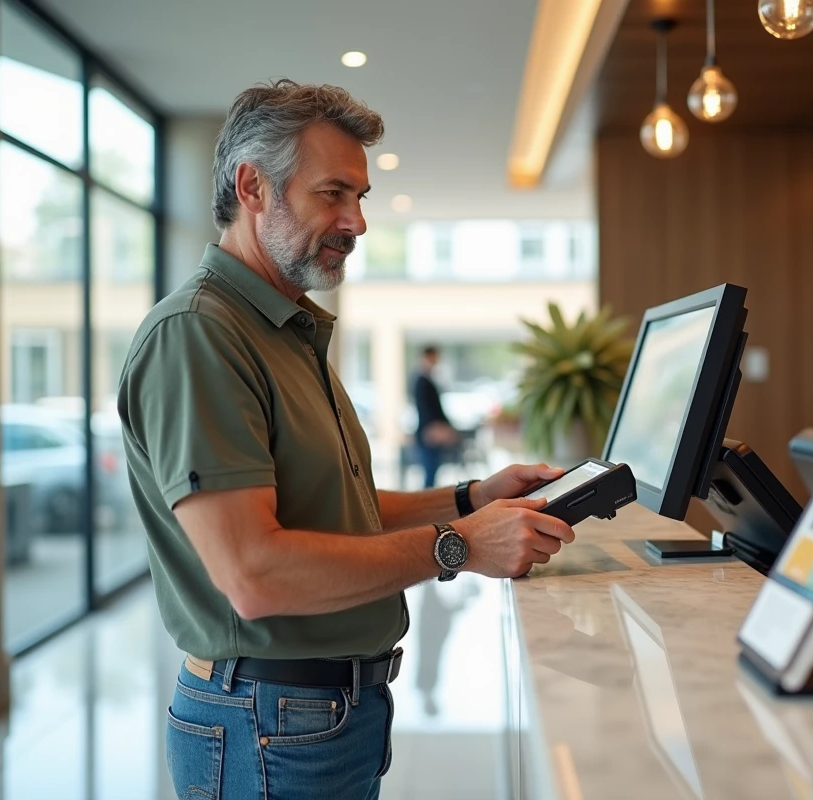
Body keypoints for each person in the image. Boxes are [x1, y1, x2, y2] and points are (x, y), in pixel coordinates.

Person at [116, 81, 574, 800]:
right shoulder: (201, 335)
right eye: (332, 193)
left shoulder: (285, 329)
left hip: (317, 716)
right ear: (252, 187)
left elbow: (337, 510)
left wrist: (471, 499)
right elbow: (254, 573)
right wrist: (458, 546)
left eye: (359, 196)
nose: (356, 221)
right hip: (267, 723)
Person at [412, 345, 458, 488]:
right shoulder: (422, 382)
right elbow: (426, 409)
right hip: (430, 432)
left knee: (433, 470)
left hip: (431, 430)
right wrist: (436, 428)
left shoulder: (428, 380)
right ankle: (427, 499)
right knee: (430, 471)